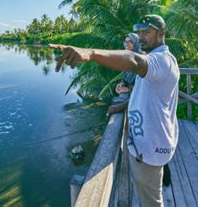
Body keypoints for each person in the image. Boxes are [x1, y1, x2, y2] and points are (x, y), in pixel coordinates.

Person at [50, 15, 179, 207]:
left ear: (162, 33)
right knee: (147, 195)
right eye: (139, 32)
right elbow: (146, 96)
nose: (141, 36)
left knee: (152, 201)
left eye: (147, 32)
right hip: (144, 145)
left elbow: (134, 61)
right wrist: (120, 106)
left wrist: (91, 53)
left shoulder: (162, 61)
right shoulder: (155, 60)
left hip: (151, 148)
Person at [107, 33, 173, 188]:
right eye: (125, 41)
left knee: (155, 145)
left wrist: (118, 107)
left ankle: (164, 178)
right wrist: (121, 86)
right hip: (138, 111)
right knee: (144, 144)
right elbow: (127, 80)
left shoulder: (142, 62)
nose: (126, 44)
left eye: (130, 42)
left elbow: (141, 91)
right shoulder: (129, 62)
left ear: (136, 43)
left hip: (148, 111)